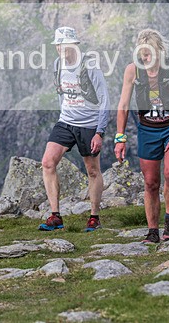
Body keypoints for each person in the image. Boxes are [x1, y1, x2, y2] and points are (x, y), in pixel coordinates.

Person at [115, 29, 169, 244]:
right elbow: (123, 104)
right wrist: (119, 138)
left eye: (149, 54)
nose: (145, 58)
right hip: (147, 129)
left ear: (159, 51)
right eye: (142, 54)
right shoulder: (133, 71)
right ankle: (152, 230)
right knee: (150, 182)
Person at [39, 26, 109, 232]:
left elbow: (104, 100)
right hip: (66, 122)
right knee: (47, 162)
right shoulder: (57, 64)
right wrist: (64, 114)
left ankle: (94, 216)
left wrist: (99, 132)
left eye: (65, 45)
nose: (61, 49)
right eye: (58, 45)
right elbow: (61, 93)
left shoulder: (90, 66)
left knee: (92, 170)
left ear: (74, 45)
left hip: (89, 124)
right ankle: (56, 216)